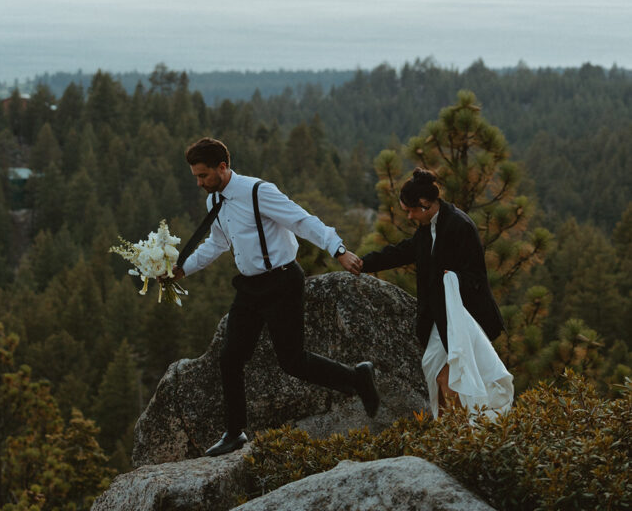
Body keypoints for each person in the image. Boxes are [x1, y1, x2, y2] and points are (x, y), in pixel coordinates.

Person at [169, 136, 381, 457]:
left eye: (203, 176)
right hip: (250, 287)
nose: (199, 183)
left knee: (292, 362)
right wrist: (182, 268)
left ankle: (357, 378)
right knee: (230, 357)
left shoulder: (258, 191)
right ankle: (235, 432)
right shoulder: (214, 201)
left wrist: (337, 248)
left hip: (282, 282)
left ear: (222, 167)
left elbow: (301, 220)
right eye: (196, 176)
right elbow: (216, 244)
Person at [359, 168, 511, 418]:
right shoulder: (429, 227)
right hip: (440, 322)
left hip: (464, 320)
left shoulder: (459, 226)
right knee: (440, 379)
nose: (408, 216)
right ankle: (447, 435)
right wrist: (364, 264)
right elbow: (403, 251)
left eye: (410, 210)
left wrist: (450, 280)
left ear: (425, 204)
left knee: (448, 381)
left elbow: (476, 277)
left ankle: (461, 436)